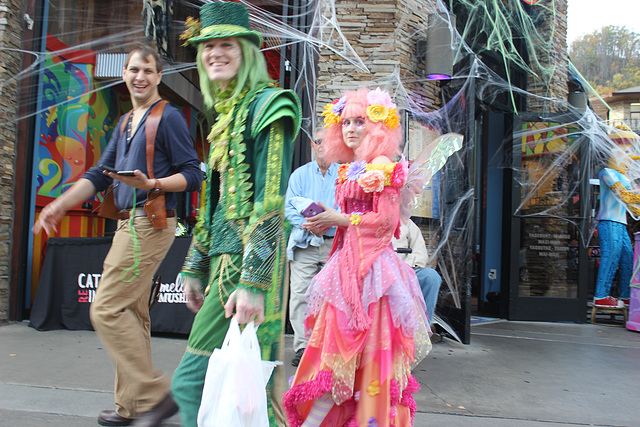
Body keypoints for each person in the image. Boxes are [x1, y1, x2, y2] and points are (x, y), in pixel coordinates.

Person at [33, 45, 203, 427]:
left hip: (148, 222)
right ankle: (132, 407)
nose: (139, 77)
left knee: (106, 308)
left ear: (159, 77)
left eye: (147, 70)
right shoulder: (127, 121)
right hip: (128, 223)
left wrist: (153, 182)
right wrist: (59, 204)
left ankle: (157, 393)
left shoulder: (168, 117)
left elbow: (194, 174)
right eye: (133, 70)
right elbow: (97, 174)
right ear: (124, 74)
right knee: (132, 313)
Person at [170, 2, 302, 426]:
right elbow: (212, 204)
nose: (215, 53)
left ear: (247, 51)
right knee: (245, 393)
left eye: (227, 44)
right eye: (208, 46)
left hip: (248, 269)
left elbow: (270, 202)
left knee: (235, 390)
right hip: (225, 266)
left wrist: (254, 283)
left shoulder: (269, 105)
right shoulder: (226, 116)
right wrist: (194, 265)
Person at [283, 87, 431, 426]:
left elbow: (386, 222)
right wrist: (326, 220)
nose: (350, 128)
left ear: (377, 127)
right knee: (332, 353)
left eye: (360, 121)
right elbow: (351, 221)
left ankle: (368, 419)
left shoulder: (382, 167)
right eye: (345, 122)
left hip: (372, 275)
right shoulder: (350, 167)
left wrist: (339, 219)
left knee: (366, 358)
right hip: (345, 268)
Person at [285, 129, 339, 367]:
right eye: (319, 142)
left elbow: (348, 210)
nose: (323, 146)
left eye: (328, 142)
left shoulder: (344, 176)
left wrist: (327, 223)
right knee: (300, 295)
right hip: (304, 243)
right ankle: (303, 347)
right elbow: (288, 209)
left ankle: (329, 346)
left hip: (334, 244)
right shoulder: (299, 175)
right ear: (312, 145)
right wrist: (309, 225)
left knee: (334, 297)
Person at [594, 126, 640, 308]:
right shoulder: (608, 173)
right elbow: (623, 195)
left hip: (620, 223)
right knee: (611, 256)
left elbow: (631, 205)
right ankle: (601, 295)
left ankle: (626, 295)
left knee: (628, 258)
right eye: (626, 155)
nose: (629, 162)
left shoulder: (624, 178)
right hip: (609, 221)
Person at [392, 218, 442, 323]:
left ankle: (422, 327)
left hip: (405, 268)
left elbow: (420, 253)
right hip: (377, 272)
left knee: (431, 277)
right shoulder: (364, 219)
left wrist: (405, 268)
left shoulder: (406, 223)